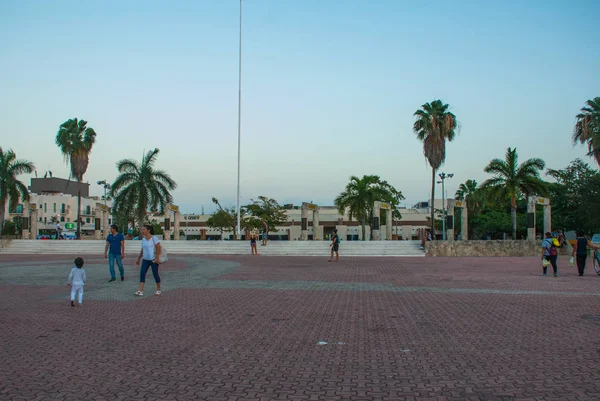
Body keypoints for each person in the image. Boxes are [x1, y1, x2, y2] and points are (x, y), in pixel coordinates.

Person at [135, 224, 162, 296]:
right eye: (142, 230)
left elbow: (158, 248)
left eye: (144, 229)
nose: (142, 231)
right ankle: (140, 290)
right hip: (145, 259)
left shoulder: (154, 238)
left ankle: (158, 289)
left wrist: (157, 258)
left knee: (155, 274)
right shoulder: (143, 239)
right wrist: (139, 258)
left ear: (148, 230)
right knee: (142, 274)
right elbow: (142, 249)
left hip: (153, 260)